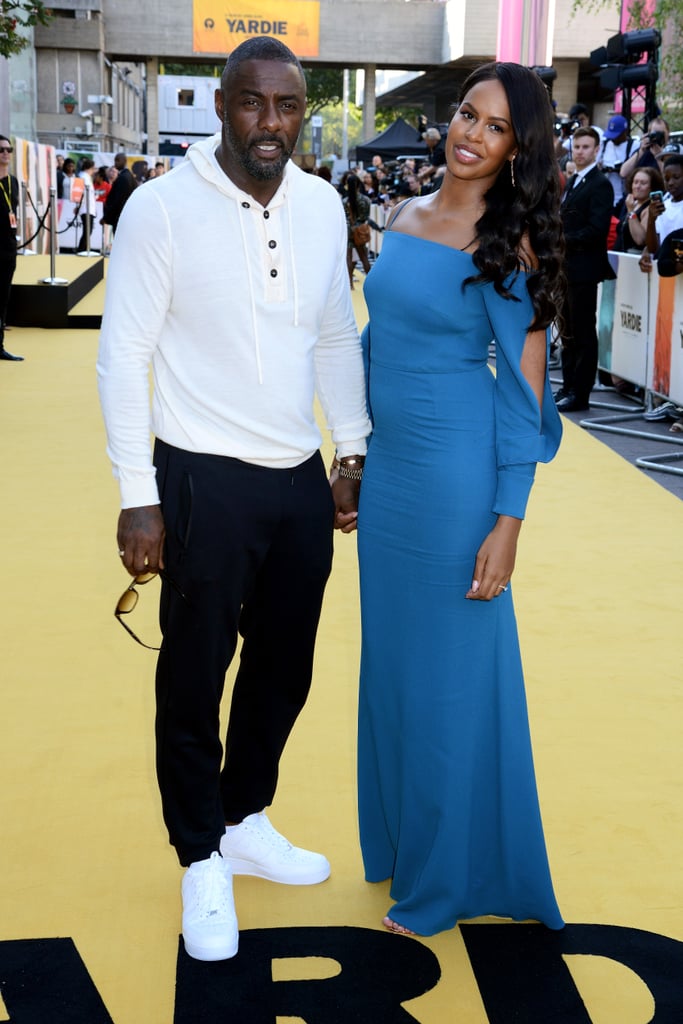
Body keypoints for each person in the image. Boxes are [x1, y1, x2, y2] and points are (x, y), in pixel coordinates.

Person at [97, 36, 371, 963]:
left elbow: (336, 333)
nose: (271, 124)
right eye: (253, 104)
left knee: (283, 665)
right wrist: (140, 495)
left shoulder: (324, 205)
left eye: (287, 107)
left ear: (303, 112)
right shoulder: (162, 209)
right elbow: (122, 355)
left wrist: (352, 449)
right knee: (195, 667)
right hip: (199, 473)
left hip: (296, 476)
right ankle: (199, 854)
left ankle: (245, 814)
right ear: (219, 106)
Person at [356, 61, 565, 937]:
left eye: (494, 128)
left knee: (445, 686)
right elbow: (376, 344)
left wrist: (507, 520)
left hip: (455, 483)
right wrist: (352, 456)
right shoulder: (402, 215)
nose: (470, 136)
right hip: (391, 476)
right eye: (466, 116)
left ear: (517, 150)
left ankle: (441, 885)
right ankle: (404, 844)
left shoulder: (504, 244)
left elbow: (523, 393)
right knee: (396, 675)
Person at [554, 127, 615, 412]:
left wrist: (561, 240)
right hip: (566, 269)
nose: (580, 152)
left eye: (586, 147)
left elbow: (597, 230)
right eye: (576, 146)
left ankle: (580, 394)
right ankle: (568, 388)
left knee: (583, 333)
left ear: (596, 150)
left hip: (584, 269)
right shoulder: (574, 181)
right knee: (567, 331)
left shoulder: (600, 183)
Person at [0, 134, 23, 362]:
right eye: (2, 150)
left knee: (3, 296)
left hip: (9, 247)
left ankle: (0, 346)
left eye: (9, 150)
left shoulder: (13, 182)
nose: (6, 153)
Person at [613, 165, 663, 253]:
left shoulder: (649, 209)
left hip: (634, 259)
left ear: (652, 187)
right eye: (635, 182)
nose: (637, 186)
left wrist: (631, 212)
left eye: (643, 183)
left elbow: (640, 240)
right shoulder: (633, 204)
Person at [598, 114, 636, 214]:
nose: (613, 139)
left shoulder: (633, 145)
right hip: (605, 197)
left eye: (616, 135)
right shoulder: (605, 144)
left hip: (623, 197)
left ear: (625, 132)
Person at [342, 172, 372, 286]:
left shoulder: (345, 201)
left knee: (348, 258)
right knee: (364, 258)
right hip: (360, 231)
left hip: (349, 230)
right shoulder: (365, 200)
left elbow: (344, 217)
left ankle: (350, 284)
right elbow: (366, 216)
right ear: (359, 185)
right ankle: (371, 282)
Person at [102, 152, 136, 234]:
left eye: (117, 160)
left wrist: (107, 217)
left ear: (124, 161)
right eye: (115, 160)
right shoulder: (127, 176)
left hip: (120, 217)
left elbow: (118, 200)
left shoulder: (124, 178)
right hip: (124, 217)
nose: (115, 163)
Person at [77, 157, 97, 252]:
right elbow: (82, 193)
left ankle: (83, 249)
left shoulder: (86, 177)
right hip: (85, 208)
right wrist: (79, 206)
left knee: (88, 231)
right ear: (90, 168)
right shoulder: (83, 177)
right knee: (87, 231)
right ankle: (82, 249)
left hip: (88, 207)